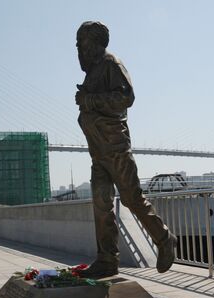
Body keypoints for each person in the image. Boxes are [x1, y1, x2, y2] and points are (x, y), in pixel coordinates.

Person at [74, 21, 177, 278]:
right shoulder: (93, 71)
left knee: (131, 198)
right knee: (101, 204)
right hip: (97, 151)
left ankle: (164, 239)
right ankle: (107, 260)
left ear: (96, 43)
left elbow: (126, 98)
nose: (78, 49)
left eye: (82, 43)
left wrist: (88, 100)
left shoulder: (111, 64)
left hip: (115, 148)